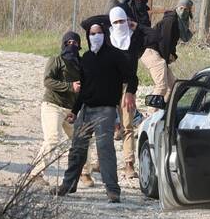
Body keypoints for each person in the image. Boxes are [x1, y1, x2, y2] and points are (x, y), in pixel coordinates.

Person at [51, 18, 137, 203]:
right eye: (91, 34)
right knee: (77, 148)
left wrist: (129, 92)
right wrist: (75, 110)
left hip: (105, 111)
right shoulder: (87, 59)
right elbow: (83, 89)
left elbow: (132, 77)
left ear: (104, 35)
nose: (95, 36)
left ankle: (113, 190)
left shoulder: (115, 56)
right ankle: (68, 184)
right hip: (86, 110)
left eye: (98, 33)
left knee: (105, 149)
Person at [30, 31, 86, 186]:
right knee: (53, 138)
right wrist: (69, 86)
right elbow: (48, 81)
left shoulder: (81, 65)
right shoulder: (56, 60)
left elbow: (82, 91)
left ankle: (84, 173)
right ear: (63, 44)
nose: (72, 46)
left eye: (75, 43)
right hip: (52, 106)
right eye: (69, 43)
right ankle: (35, 174)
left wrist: (75, 111)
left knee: (80, 141)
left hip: (70, 110)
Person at [107, 6, 143, 179]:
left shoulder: (133, 40)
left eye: (123, 21)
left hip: (126, 88)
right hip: (107, 86)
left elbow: (155, 36)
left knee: (127, 126)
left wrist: (137, 27)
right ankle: (101, 162)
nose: (120, 25)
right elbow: (87, 25)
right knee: (104, 126)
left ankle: (129, 164)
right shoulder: (106, 40)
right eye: (116, 22)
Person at [142, 0, 191, 102]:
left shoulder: (178, 22)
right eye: (181, 8)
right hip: (151, 52)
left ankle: (163, 113)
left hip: (159, 54)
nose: (183, 11)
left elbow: (170, 44)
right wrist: (167, 58)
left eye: (186, 9)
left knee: (172, 86)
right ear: (177, 8)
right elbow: (164, 41)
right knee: (162, 86)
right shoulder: (171, 20)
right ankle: (150, 115)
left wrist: (171, 55)